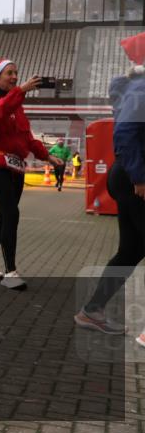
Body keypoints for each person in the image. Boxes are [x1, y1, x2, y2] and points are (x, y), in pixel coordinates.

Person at [74, 33, 145, 338]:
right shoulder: (141, 88)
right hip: (135, 178)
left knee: (131, 250)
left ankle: (92, 310)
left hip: (127, 176)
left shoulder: (135, 86)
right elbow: (126, 133)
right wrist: (140, 177)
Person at [0, 59, 64, 290]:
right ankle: (11, 271)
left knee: (4, 215)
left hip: (16, 167)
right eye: (9, 73)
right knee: (11, 213)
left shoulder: (17, 105)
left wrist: (47, 157)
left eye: (16, 73)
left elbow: (27, 138)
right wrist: (21, 91)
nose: (14, 77)